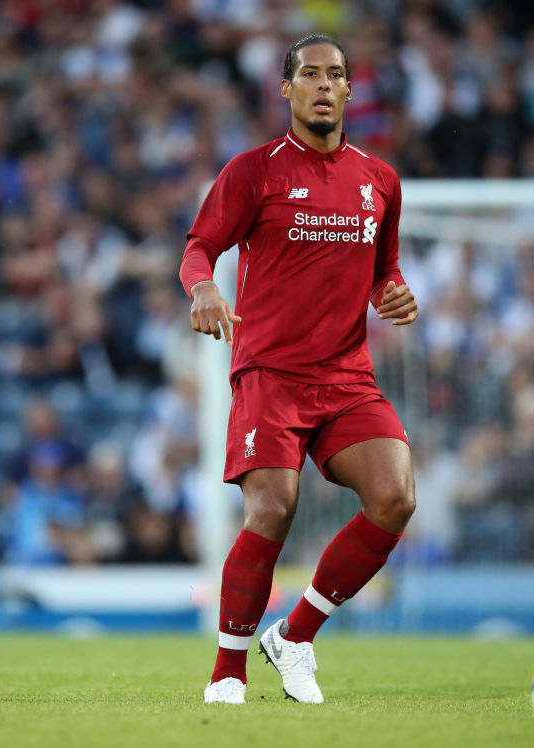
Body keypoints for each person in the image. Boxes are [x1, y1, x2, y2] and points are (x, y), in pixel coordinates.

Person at [180, 35, 419, 705]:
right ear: (286, 90)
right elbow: (199, 248)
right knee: (273, 509)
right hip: (270, 374)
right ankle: (227, 673)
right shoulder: (253, 171)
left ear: (348, 92)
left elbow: (384, 269)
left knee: (396, 497)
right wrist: (202, 287)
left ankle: (297, 634)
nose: (323, 84)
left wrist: (392, 293)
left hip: (346, 377)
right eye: (309, 74)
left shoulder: (380, 181)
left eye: (335, 75)